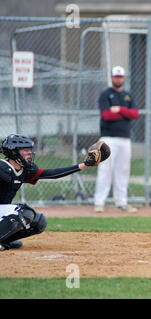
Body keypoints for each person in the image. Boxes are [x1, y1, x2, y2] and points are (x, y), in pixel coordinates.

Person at [0, 134, 104, 251]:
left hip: (2, 212)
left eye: (30, 150)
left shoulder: (24, 170)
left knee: (38, 222)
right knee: (23, 212)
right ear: (13, 152)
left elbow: (52, 174)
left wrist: (84, 165)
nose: (30, 153)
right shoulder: (2, 167)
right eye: (25, 150)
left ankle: (4, 240)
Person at [94, 66, 139, 213]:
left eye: (120, 77)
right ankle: (99, 202)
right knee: (105, 170)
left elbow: (135, 114)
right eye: (116, 76)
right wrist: (125, 114)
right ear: (111, 77)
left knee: (123, 171)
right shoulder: (105, 94)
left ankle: (121, 202)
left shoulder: (128, 95)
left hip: (124, 139)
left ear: (124, 78)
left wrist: (119, 109)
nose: (118, 79)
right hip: (108, 138)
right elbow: (107, 115)